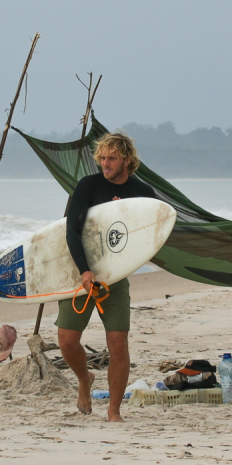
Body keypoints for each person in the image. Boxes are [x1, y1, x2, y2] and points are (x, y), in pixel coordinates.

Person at [57, 131, 156, 423]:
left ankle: (114, 411)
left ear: (126, 159)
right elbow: (71, 230)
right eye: (102, 157)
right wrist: (84, 270)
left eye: (112, 157)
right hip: (82, 273)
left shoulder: (143, 194)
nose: (105, 162)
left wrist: (130, 262)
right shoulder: (88, 186)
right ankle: (84, 379)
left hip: (115, 277)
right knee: (66, 341)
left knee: (118, 344)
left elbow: (150, 233)